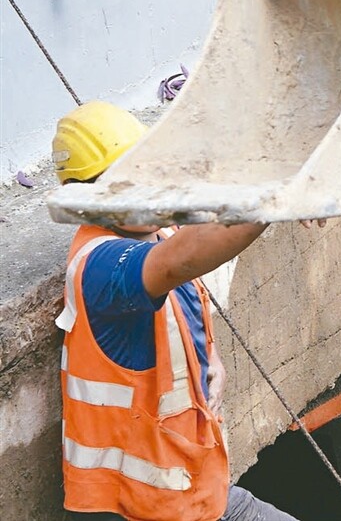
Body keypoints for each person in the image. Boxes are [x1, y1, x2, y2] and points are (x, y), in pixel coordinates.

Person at [52, 103, 296, 521]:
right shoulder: (102, 267)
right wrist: (277, 199)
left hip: (192, 494)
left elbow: (185, 297)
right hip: (133, 508)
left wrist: (210, 362)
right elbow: (176, 262)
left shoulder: (159, 231)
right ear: (85, 199)